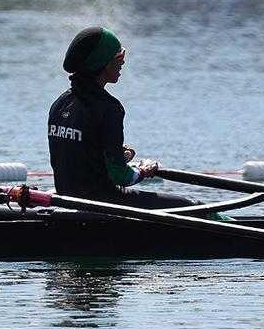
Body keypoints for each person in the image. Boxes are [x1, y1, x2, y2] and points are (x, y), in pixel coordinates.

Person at [47, 25, 195, 210]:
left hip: (67, 198)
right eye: (119, 56)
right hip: (102, 202)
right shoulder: (109, 108)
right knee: (189, 205)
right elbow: (121, 177)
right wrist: (144, 170)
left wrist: (115, 154)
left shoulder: (59, 104)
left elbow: (77, 157)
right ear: (103, 63)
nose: (123, 62)